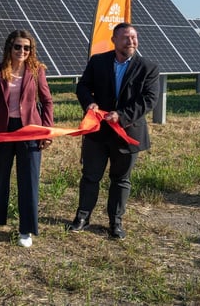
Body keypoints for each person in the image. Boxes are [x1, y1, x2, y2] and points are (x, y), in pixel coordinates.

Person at [67, 22, 159, 239]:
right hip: (97, 132)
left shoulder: (148, 67)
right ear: (114, 40)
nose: (131, 41)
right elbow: (82, 87)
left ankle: (115, 222)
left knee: (121, 179)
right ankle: (82, 217)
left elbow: (149, 99)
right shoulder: (98, 61)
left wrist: (122, 116)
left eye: (134, 37)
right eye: (126, 37)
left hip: (127, 133)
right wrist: (89, 103)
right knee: (90, 176)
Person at [0, 30, 54, 248]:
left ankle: (26, 228)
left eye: (26, 47)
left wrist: (46, 131)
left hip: (30, 129)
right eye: (18, 47)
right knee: (1, 175)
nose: (22, 51)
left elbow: (47, 101)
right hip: (4, 129)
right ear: (9, 48)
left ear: (31, 50)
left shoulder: (36, 71)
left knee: (29, 179)